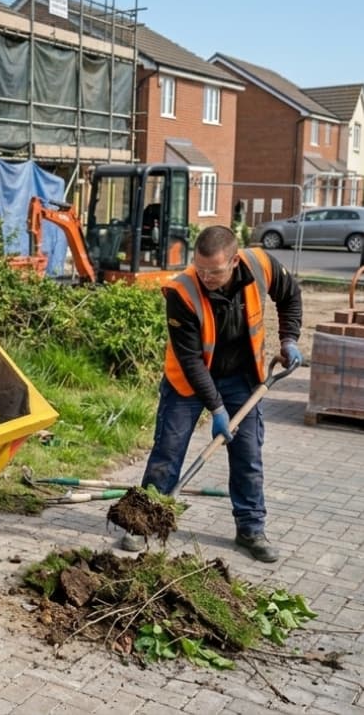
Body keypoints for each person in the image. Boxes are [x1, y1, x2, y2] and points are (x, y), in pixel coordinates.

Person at [120, 225, 303, 563]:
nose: (205, 276)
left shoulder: (261, 264)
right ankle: (142, 524)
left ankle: (250, 529)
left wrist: (289, 338)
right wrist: (216, 410)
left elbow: (290, 295)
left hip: (243, 378)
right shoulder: (182, 291)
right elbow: (190, 361)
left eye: (214, 271)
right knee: (168, 452)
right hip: (187, 383)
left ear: (234, 261)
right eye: (200, 268)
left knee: (248, 455)